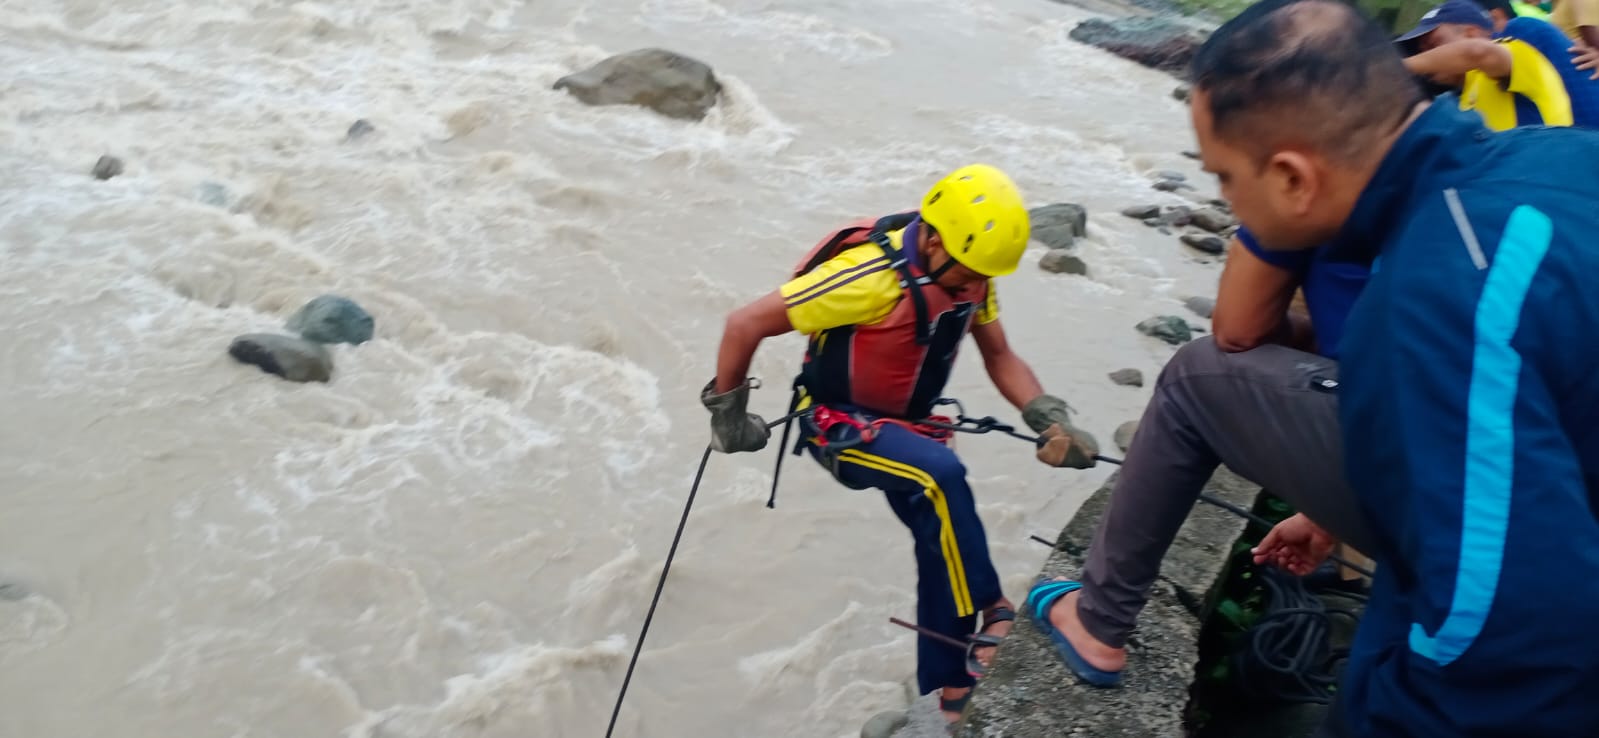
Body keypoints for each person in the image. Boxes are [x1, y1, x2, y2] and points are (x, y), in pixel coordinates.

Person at [1187, 0, 1599, 735]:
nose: (1226, 200)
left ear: (1290, 178)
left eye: (1223, 177)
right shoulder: (1554, 154)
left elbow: (1506, 640)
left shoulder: (1427, 301)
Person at [702, 164, 1100, 728]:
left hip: (907, 428)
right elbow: (744, 324)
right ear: (934, 240)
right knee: (941, 477)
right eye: (966, 276)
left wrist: (1048, 418)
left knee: (942, 537)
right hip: (837, 426)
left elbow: (1000, 356)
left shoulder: (971, 273)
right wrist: (729, 415)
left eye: (981, 278)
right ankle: (994, 610)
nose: (973, 289)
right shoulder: (865, 277)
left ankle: (945, 688)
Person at [1397, 0, 1599, 129]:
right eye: (1422, 51)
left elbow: (1478, 52)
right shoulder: (1461, 101)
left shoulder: (1520, 39)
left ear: (1472, 33)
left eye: (1433, 45)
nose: (1429, 56)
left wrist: (1396, 67)